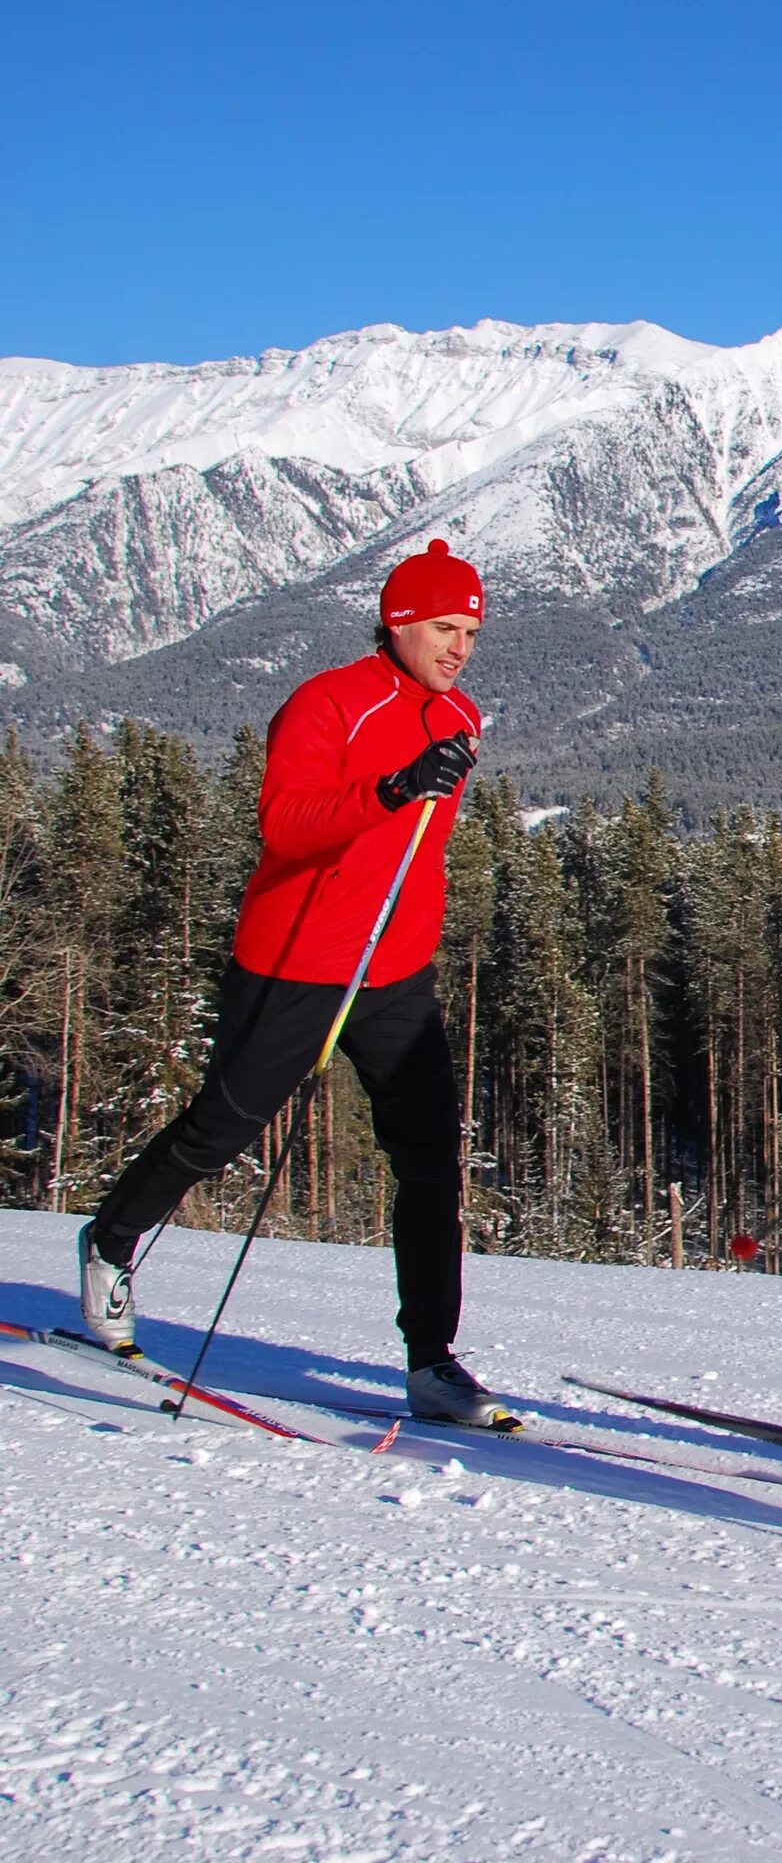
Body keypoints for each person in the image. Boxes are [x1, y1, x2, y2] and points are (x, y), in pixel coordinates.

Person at [76, 538, 504, 1426]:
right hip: (298, 963)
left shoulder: (458, 715)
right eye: (444, 628)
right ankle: (111, 1243)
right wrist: (389, 790)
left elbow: (419, 852)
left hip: (394, 973)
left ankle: (431, 1360)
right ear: (399, 623)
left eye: (470, 630)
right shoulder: (327, 704)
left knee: (430, 1164)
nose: (460, 647)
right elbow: (286, 826)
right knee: (218, 1131)